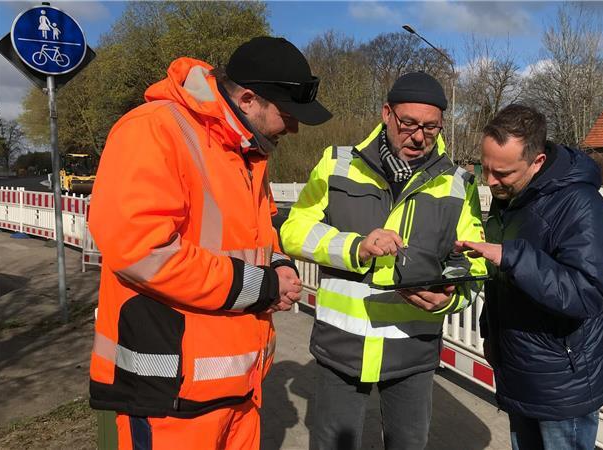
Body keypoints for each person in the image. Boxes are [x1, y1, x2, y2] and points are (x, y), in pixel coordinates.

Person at [87, 36, 331, 449]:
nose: (292, 127)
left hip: (239, 388)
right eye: (287, 114)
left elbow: (256, 235)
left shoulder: (249, 151)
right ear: (250, 99)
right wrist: (263, 287)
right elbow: (141, 251)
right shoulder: (153, 129)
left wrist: (278, 265)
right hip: (170, 395)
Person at [280, 72, 487, 450]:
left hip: (413, 350)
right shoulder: (336, 164)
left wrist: (452, 298)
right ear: (386, 114)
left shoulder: (459, 182)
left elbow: (474, 265)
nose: (419, 136)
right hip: (339, 346)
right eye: (408, 123)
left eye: (431, 127)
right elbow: (294, 231)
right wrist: (354, 247)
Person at [456, 104, 603, 450]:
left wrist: (512, 256)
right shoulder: (512, 196)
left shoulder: (580, 203)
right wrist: (491, 332)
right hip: (521, 368)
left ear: (538, 162)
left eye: (502, 172)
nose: (490, 181)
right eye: (485, 168)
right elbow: (503, 281)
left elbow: (588, 293)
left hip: (565, 379)